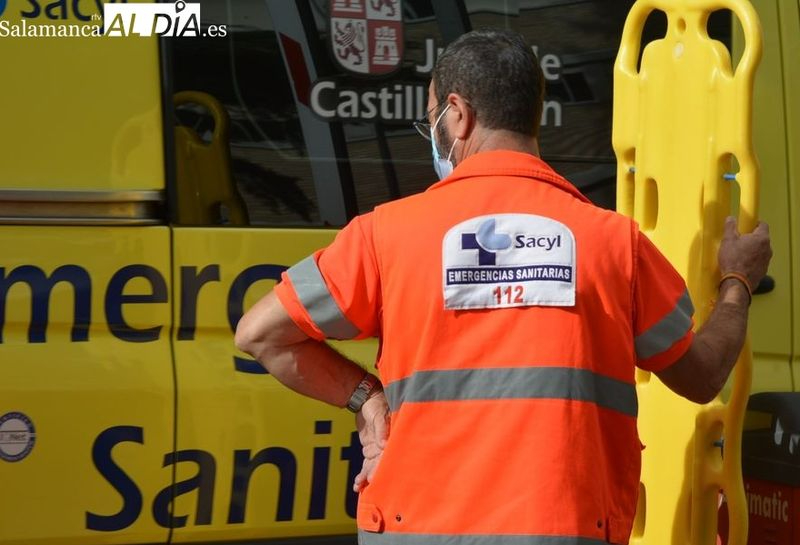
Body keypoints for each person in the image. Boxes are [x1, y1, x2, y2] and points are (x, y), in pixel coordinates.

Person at [235, 29, 772, 545]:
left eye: (431, 120)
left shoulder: (384, 234)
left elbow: (260, 333)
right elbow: (702, 377)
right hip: (565, 529)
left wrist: (366, 399)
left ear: (459, 114)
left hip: (413, 527)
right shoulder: (614, 243)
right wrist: (736, 282)